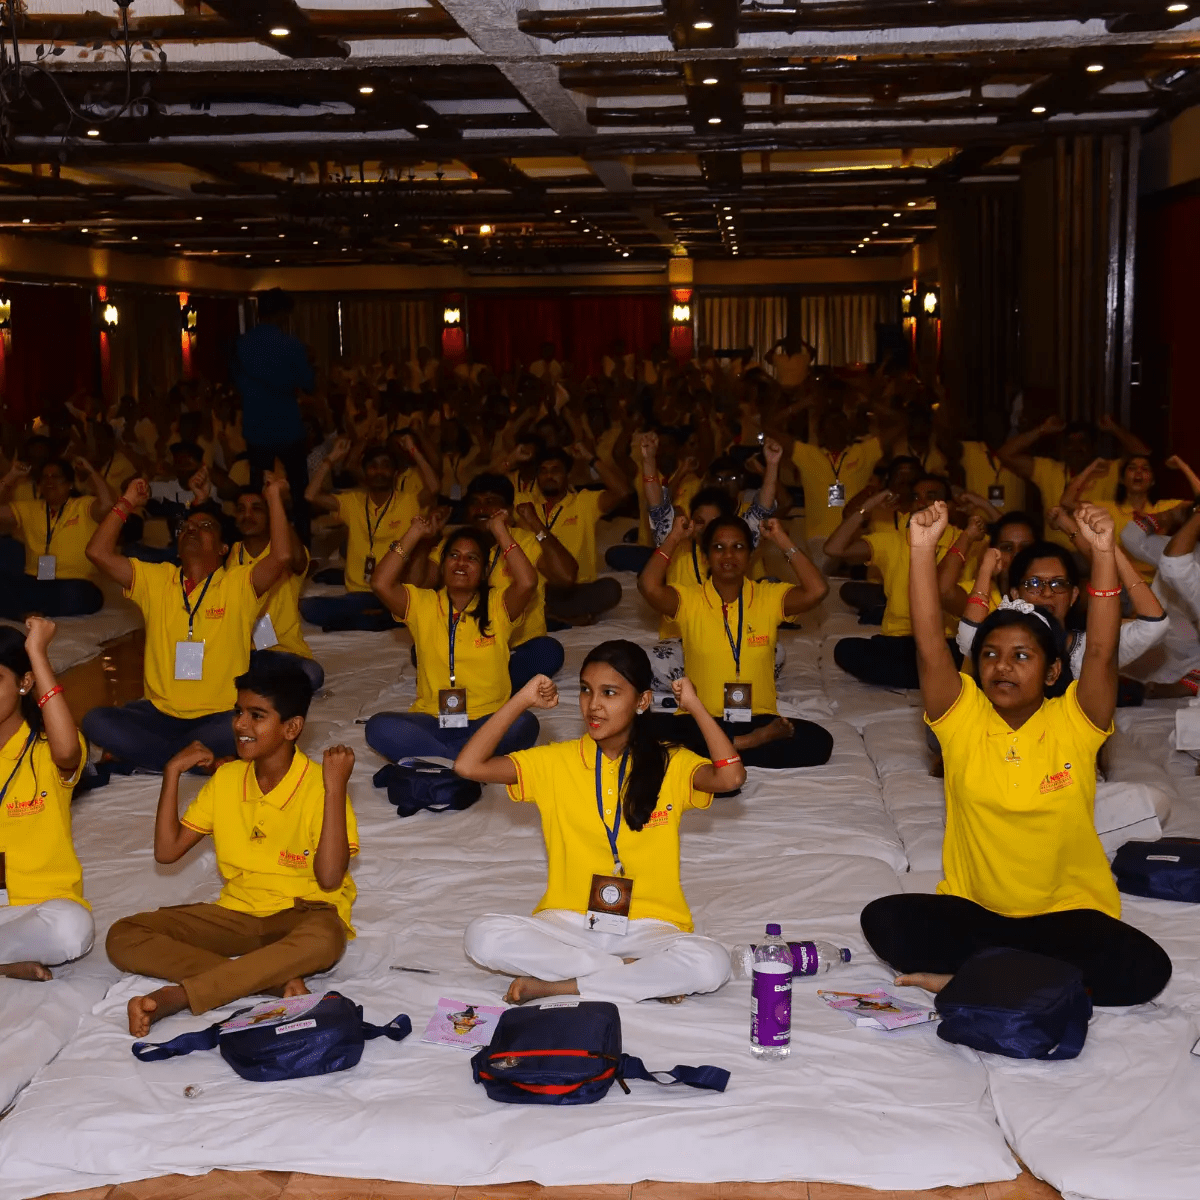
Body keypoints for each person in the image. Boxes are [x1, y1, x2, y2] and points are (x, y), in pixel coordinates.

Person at [860, 501, 1171, 1007]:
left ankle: (982, 977)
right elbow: (928, 648)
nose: (1003, 667)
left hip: (1065, 916)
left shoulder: (1075, 720)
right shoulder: (963, 721)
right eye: (991, 655)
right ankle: (1028, 978)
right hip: (977, 913)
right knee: (884, 919)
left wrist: (1102, 554)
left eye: (1022, 656)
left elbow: (1101, 651)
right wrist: (921, 550)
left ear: (1052, 673)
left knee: (1145, 970)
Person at [457, 642, 744, 1004]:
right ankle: (634, 974)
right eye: (586, 690)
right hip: (568, 923)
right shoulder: (554, 761)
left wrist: (696, 706)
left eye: (609, 693)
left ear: (641, 701)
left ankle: (563, 986)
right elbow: (468, 767)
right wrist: (521, 699)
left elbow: (731, 778)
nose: (593, 705)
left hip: (651, 928)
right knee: (482, 936)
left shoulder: (671, 761)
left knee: (712, 965)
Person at [106, 657, 358, 1035]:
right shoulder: (227, 778)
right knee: (123, 935)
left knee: (326, 940)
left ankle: (181, 996)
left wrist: (335, 788)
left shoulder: (320, 784)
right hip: (237, 913)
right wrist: (172, 773)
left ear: (292, 728)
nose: (240, 725)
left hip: (303, 913)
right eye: (238, 712)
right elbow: (167, 851)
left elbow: (328, 878)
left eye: (257, 716)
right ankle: (271, 981)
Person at [81, 476, 292, 774]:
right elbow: (97, 553)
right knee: (95, 721)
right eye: (186, 528)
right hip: (159, 714)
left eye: (205, 527)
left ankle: (157, 757)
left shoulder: (238, 583)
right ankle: (196, 761)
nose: (192, 530)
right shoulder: (157, 579)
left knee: (249, 726)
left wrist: (273, 497)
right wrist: (127, 500)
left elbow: (282, 555)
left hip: (218, 717)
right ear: (177, 546)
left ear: (223, 549)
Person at [639, 513, 834, 768]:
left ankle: (721, 752)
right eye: (719, 548)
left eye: (738, 547)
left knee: (820, 741)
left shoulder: (769, 597)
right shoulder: (690, 600)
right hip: (701, 720)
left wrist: (780, 538)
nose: (728, 556)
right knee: (645, 727)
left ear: (751, 556)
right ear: (706, 557)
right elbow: (648, 586)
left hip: (757, 717)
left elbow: (817, 590)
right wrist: (675, 536)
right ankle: (748, 744)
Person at [364, 513, 541, 763]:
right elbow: (381, 583)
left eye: (472, 558)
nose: (461, 563)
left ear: (483, 571)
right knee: (378, 726)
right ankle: (466, 760)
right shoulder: (422, 603)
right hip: (434, 719)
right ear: (442, 564)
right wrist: (414, 532)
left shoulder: (497, 604)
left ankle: (442, 759)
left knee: (524, 723)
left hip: (488, 720)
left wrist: (500, 531)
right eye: (454, 555)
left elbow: (527, 581)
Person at [0, 618, 94, 981]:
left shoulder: (46, 748)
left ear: (25, 683)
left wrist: (37, 654)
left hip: (39, 906)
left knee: (71, 931)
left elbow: (68, 750)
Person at [417, 474, 570, 692]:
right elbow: (417, 590)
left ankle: (470, 683)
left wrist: (535, 524)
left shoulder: (523, 540)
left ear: (507, 508)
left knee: (548, 651)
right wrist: (426, 540)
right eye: (475, 503)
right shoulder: (454, 544)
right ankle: (483, 681)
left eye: (490, 502)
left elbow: (566, 576)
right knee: (421, 648)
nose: (481, 509)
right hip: (465, 645)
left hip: (516, 648)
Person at [958, 534, 1168, 686]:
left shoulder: (1093, 648)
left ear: (1074, 596)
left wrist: (1113, 551)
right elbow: (969, 635)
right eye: (1033, 583)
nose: (1047, 593)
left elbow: (1154, 626)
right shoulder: (1000, 648)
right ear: (1015, 595)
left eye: (1059, 584)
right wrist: (985, 572)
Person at [826, 477, 959, 689]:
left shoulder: (965, 541)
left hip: (945, 641)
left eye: (931, 497)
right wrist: (868, 506)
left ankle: (928, 674)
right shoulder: (896, 539)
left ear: (949, 506)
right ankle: (931, 676)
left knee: (965, 656)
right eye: (916, 497)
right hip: (899, 640)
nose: (921, 503)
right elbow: (834, 549)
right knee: (844, 649)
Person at [301, 442, 424, 632]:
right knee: (307, 607)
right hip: (357, 594)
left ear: (395, 473)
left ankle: (362, 620)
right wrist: (331, 459)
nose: (379, 471)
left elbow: (434, 487)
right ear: (365, 472)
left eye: (385, 466)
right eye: (373, 466)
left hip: (391, 590)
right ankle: (376, 619)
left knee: (400, 606)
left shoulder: (407, 501)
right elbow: (310, 495)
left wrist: (413, 450)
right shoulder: (353, 501)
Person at [232, 288, 315, 543]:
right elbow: (309, 384)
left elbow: (236, 382)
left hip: (256, 426)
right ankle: (302, 543)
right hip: (287, 425)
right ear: (282, 314)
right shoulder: (291, 345)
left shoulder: (241, 345)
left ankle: (259, 543)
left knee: (258, 491)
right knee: (300, 491)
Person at [225, 484, 324, 693]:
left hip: (285, 653)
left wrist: (276, 501)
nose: (247, 515)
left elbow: (296, 560)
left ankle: (253, 685)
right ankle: (263, 685)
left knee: (313, 675)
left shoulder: (286, 552)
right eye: (241, 509)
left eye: (257, 509)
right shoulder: (232, 553)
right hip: (244, 654)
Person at [998, 414, 1149, 549]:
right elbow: (1005, 454)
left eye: (1082, 442)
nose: (1075, 448)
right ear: (1063, 447)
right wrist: (1043, 429)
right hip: (1057, 555)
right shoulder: (1048, 469)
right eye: (1070, 443)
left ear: (1093, 446)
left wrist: (1114, 428)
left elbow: (1144, 455)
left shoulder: (1108, 469)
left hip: (1096, 553)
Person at [0, 457, 113, 620]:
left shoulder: (84, 505)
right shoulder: (29, 508)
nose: (49, 481)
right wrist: (11, 475)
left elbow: (108, 505)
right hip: (35, 582)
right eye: (45, 477)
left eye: (56, 477)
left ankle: (26, 610)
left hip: (73, 583)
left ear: (70, 484)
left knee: (81, 595)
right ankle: (26, 613)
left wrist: (90, 471)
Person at [533, 447, 627, 626]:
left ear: (567, 474)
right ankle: (561, 617)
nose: (549, 476)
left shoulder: (584, 502)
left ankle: (551, 616)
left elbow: (622, 491)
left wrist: (591, 458)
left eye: (555, 470)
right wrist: (511, 459)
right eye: (543, 471)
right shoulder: (526, 506)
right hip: (536, 589)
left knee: (610, 590)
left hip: (575, 588)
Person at [937, 511, 1039, 619]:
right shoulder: (982, 592)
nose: (1016, 556)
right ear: (993, 552)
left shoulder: (1046, 591)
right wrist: (968, 536)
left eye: (1025, 548)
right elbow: (943, 591)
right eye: (1007, 548)